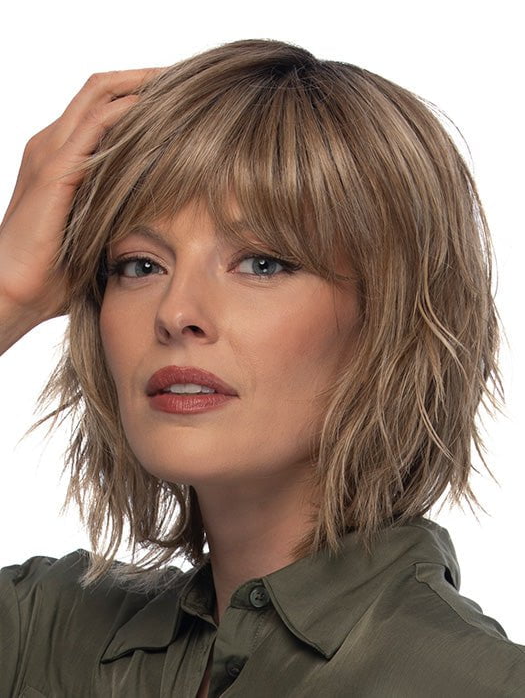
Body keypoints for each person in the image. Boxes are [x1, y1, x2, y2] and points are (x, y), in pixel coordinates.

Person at [0, 38, 523, 698]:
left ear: (392, 315)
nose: (176, 312)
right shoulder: (42, 638)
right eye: (140, 265)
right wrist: (8, 291)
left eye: (262, 263)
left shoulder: (477, 685)